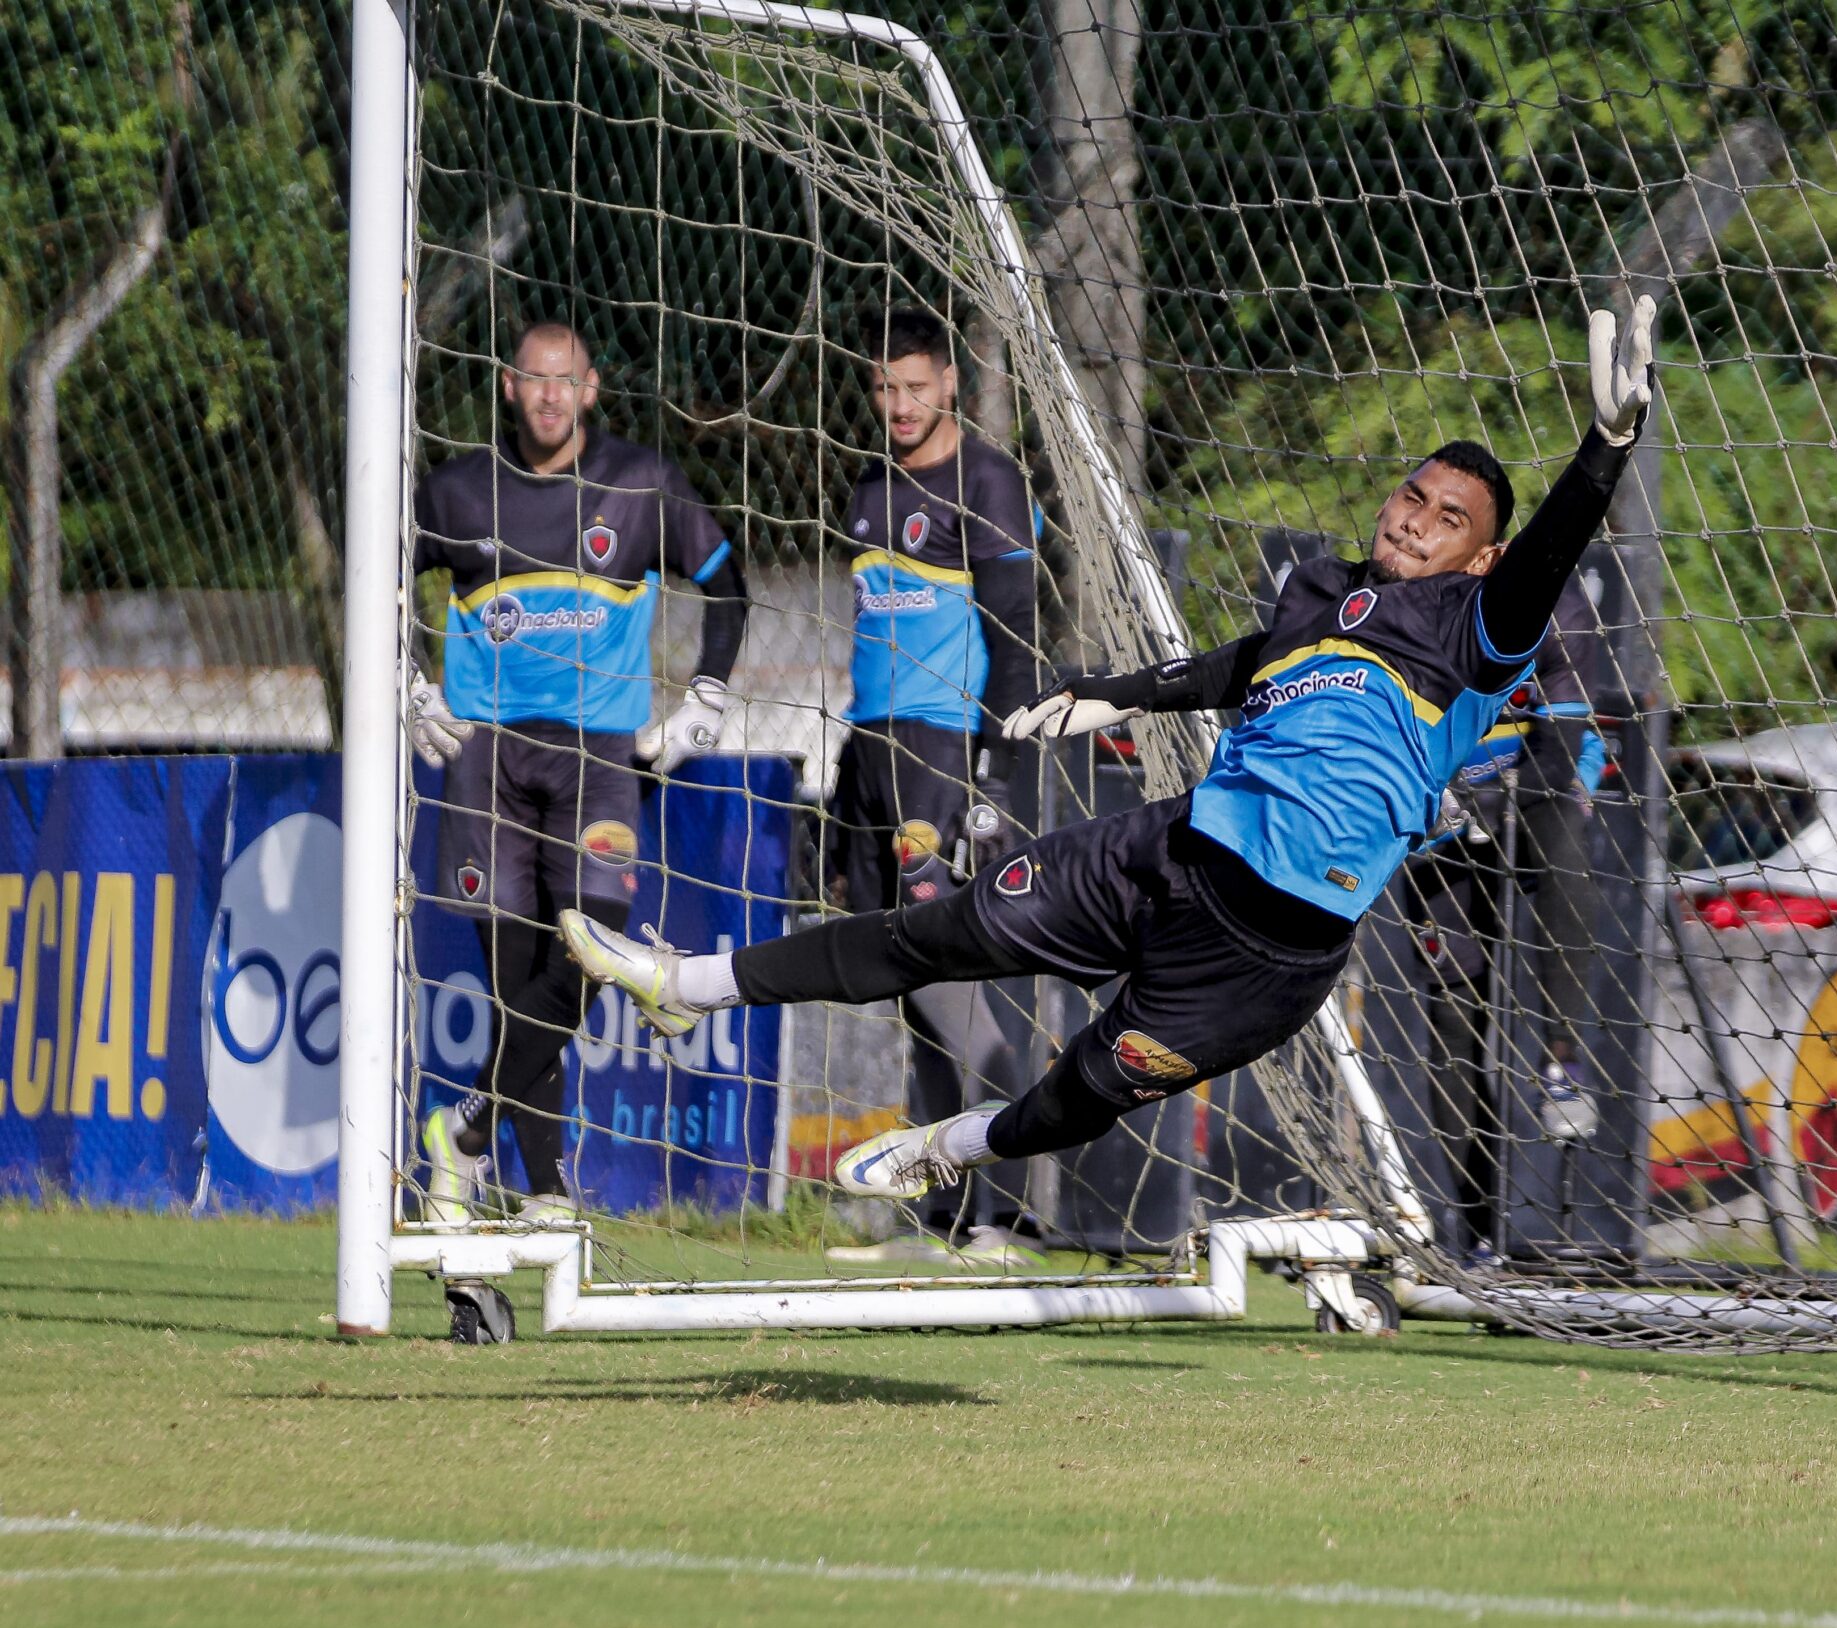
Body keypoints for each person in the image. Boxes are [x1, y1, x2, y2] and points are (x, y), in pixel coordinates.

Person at [557, 302, 1655, 1206]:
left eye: (1448, 515)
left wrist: (1601, 455)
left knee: (1076, 1094)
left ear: (1482, 553)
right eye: (1412, 493)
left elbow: (1543, 568)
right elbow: (1245, 662)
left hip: (1266, 958)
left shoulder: (1478, 635)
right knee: (935, 931)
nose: (1417, 518)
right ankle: (684, 983)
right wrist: (1106, 695)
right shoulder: (1324, 590)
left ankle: (954, 1148)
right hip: (1167, 854)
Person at [406, 322, 749, 1222]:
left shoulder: (643, 484)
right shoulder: (453, 492)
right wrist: (408, 682)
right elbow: (383, 578)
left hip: (599, 759)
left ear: (592, 389)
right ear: (509, 388)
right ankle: (546, 1189)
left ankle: (466, 1132)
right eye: (533, 379)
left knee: (588, 953)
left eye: (566, 380)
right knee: (517, 982)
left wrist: (705, 694)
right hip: (485, 758)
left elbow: (728, 581)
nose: (550, 396)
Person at [825, 306, 1040, 1255]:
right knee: (912, 983)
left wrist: (995, 772)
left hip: (944, 751)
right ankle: (942, 1209)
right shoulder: (867, 487)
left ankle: (1004, 1211)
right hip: (872, 751)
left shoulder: (989, 481)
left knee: (954, 979)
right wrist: (840, 801)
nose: (900, 404)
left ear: (950, 383)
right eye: (884, 387)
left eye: (916, 386)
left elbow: (1019, 638)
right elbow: (869, 648)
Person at [1396, 566, 1610, 1264]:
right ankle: (1475, 1227)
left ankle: (1562, 1060)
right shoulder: (1410, 613)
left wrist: (1493, 807)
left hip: (1540, 784)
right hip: (1438, 813)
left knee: (1564, 858)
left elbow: (1560, 747)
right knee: (1455, 1014)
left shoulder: (1559, 603)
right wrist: (1445, 804)